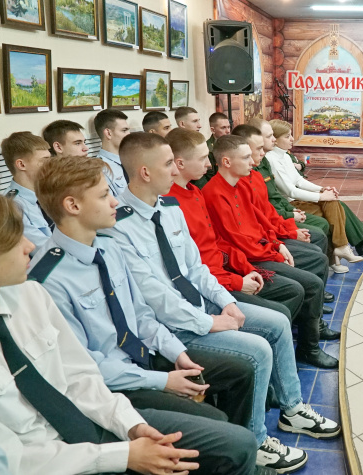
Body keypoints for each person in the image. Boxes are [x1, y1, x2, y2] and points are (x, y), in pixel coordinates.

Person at [104, 133, 340, 472]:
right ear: (145, 172)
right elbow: (154, 295)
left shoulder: (169, 209)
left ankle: (292, 410)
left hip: (201, 303)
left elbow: (196, 268)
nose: (175, 170)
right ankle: (256, 441)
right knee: (257, 350)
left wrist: (225, 301)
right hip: (172, 326)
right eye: (168, 164)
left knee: (276, 322)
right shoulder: (119, 226)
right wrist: (210, 322)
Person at [0, 191, 257, 475]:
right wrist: (122, 455)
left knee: (234, 438)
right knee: (216, 433)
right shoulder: (47, 278)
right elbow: (12, 462)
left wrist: (131, 426)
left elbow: (79, 375)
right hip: (57, 457)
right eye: (13, 241)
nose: (29, 245)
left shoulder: (30, 295)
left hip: (96, 415)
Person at [30, 154, 256, 428]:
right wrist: (162, 381)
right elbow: (86, 366)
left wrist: (176, 353)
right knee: (216, 421)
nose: (115, 201)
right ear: (73, 205)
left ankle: (245, 441)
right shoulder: (48, 280)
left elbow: (140, 314)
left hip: (143, 354)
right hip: (112, 384)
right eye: (103, 196)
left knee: (240, 371)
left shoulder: (108, 247)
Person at [202, 135, 341, 369]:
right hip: (248, 259)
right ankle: (307, 346)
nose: (253, 161)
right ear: (226, 162)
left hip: (260, 249)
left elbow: (260, 221)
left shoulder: (239, 184)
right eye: (246, 157)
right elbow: (237, 240)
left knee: (315, 262)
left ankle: (309, 330)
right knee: (308, 285)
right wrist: (274, 252)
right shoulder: (214, 193)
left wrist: (278, 244)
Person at [164, 127, 303, 325]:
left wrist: (249, 267)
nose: (209, 164)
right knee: (281, 314)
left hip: (225, 270)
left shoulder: (195, 192)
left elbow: (219, 242)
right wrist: (238, 280)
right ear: (180, 163)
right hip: (212, 281)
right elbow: (194, 264)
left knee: (293, 291)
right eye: (203, 158)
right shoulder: (171, 205)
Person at [260, 119, 363, 268]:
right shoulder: (271, 159)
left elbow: (299, 180)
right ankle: (341, 249)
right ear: (276, 139)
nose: (292, 139)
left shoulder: (285, 156)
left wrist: (322, 189)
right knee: (333, 209)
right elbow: (290, 190)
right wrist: (321, 196)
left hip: (296, 200)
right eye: (287, 136)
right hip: (290, 204)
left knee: (333, 204)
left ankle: (340, 252)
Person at [242, 121, 334, 268]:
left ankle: (339, 251)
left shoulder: (261, 169)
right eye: (270, 136)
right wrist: (286, 230)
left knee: (333, 205)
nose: (273, 140)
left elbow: (272, 203)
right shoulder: (248, 177)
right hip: (263, 241)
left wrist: (292, 212)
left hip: (277, 220)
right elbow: (259, 221)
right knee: (318, 241)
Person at [0, 132, 53, 253]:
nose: (51, 165)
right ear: (21, 164)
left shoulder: (46, 194)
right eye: (44, 161)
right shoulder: (12, 206)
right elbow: (44, 251)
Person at [94, 109, 131, 197]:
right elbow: (108, 203)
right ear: (108, 133)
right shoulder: (99, 169)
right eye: (124, 130)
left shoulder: (133, 160)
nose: (129, 134)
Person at [193, 112, 231, 189]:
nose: (227, 131)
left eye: (228, 127)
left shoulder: (231, 145)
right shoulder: (207, 150)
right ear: (213, 130)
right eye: (223, 128)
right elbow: (207, 177)